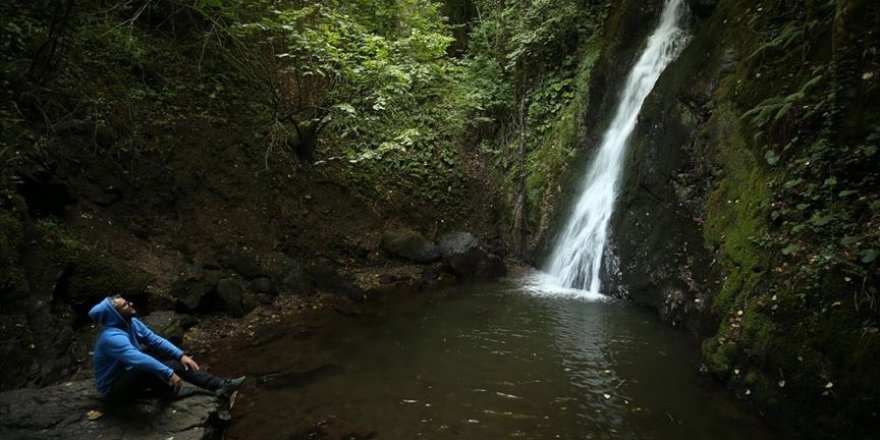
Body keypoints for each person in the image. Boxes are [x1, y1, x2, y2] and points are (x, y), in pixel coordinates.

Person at [88, 294, 245, 402]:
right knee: (145, 366)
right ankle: (169, 392)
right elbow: (137, 359)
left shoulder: (131, 323)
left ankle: (219, 385)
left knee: (175, 363)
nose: (131, 304)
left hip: (129, 376)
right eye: (125, 305)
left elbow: (154, 340)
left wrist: (180, 355)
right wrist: (168, 373)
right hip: (114, 389)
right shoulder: (112, 338)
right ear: (115, 314)